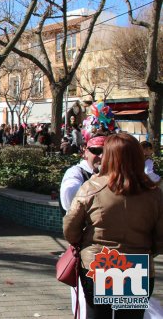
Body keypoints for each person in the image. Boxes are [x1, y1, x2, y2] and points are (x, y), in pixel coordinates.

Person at [64, 133, 163, 318]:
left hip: (98, 261)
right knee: (131, 316)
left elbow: (71, 228)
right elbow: (161, 236)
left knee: (99, 315)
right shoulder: (154, 192)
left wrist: (82, 242)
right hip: (137, 264)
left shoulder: (91, 187)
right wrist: (148, 250)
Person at [59, 135, 105, 319]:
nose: (101, 155)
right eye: (95, 150)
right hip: (93, 255)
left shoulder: (132, 181)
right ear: (85, 151)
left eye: (106, 151)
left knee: (126, 309)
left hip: (129, 259)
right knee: (91, 309)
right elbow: (68, 199)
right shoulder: (77, 174)